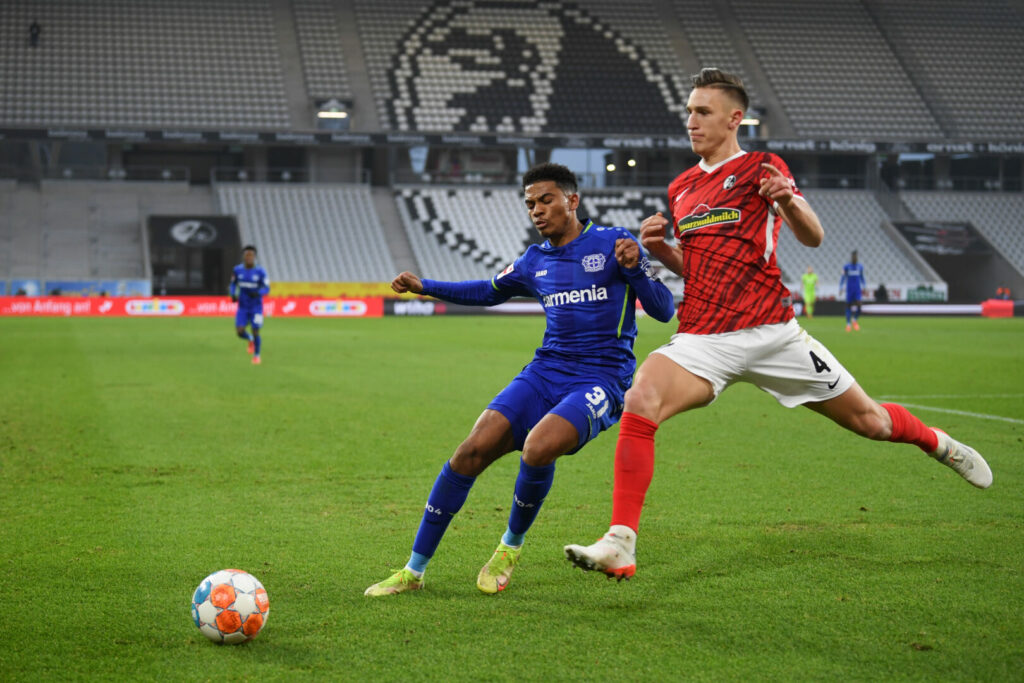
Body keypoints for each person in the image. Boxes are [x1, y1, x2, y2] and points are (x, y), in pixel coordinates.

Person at [563, 68, 992, 581]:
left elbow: (813, 236)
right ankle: (620, 543)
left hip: (773, 334)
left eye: (703, 112)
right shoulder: (681, 187)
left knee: (872, 423)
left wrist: (786, 199)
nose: (691, 121)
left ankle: (937, 443)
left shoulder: (762, 168)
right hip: (704, 338)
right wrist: (661, 250)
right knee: (642, 397)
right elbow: (698, 268)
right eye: (689, 112)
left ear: (734, 118)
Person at [364, 163, 675, 597]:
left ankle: (509, 548)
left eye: (546, 200)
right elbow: (487, 291)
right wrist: (425, 286)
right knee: (470, 451)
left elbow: (664, 309)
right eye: (530, 204)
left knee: (538, 447)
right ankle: (413, 572)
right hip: (545, 371)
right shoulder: (534, 260)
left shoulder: (614, 243)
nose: (537, 211)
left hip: (601, 378)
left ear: (572, 200)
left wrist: (637, 269)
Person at [229, 245, 270, 365]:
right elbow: (233, 284)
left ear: (254, 257)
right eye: (247, 255)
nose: (249, 257)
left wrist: (258, 293)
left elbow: (267, 288)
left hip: (256, 307)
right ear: (243, 256)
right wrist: (233, 294)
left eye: (251, 255)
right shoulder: (237, 270)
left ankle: (257, 355)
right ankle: (250, 339)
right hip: (243, 307)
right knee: (239, 331)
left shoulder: (261, 271)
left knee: (256, 330)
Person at [840, 250, 866, 331]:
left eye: (856, 256)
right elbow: (843, 278)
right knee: (848, 306)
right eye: (853, 256)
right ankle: (848, 324)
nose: (854, 258)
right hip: (849, 290)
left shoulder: (860, 267)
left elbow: (862, 277)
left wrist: (864, 286)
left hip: (857, 290)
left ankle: (854, 320)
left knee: (859, 306)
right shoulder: (846, 267)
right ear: (851, 257)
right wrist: (841, 287)